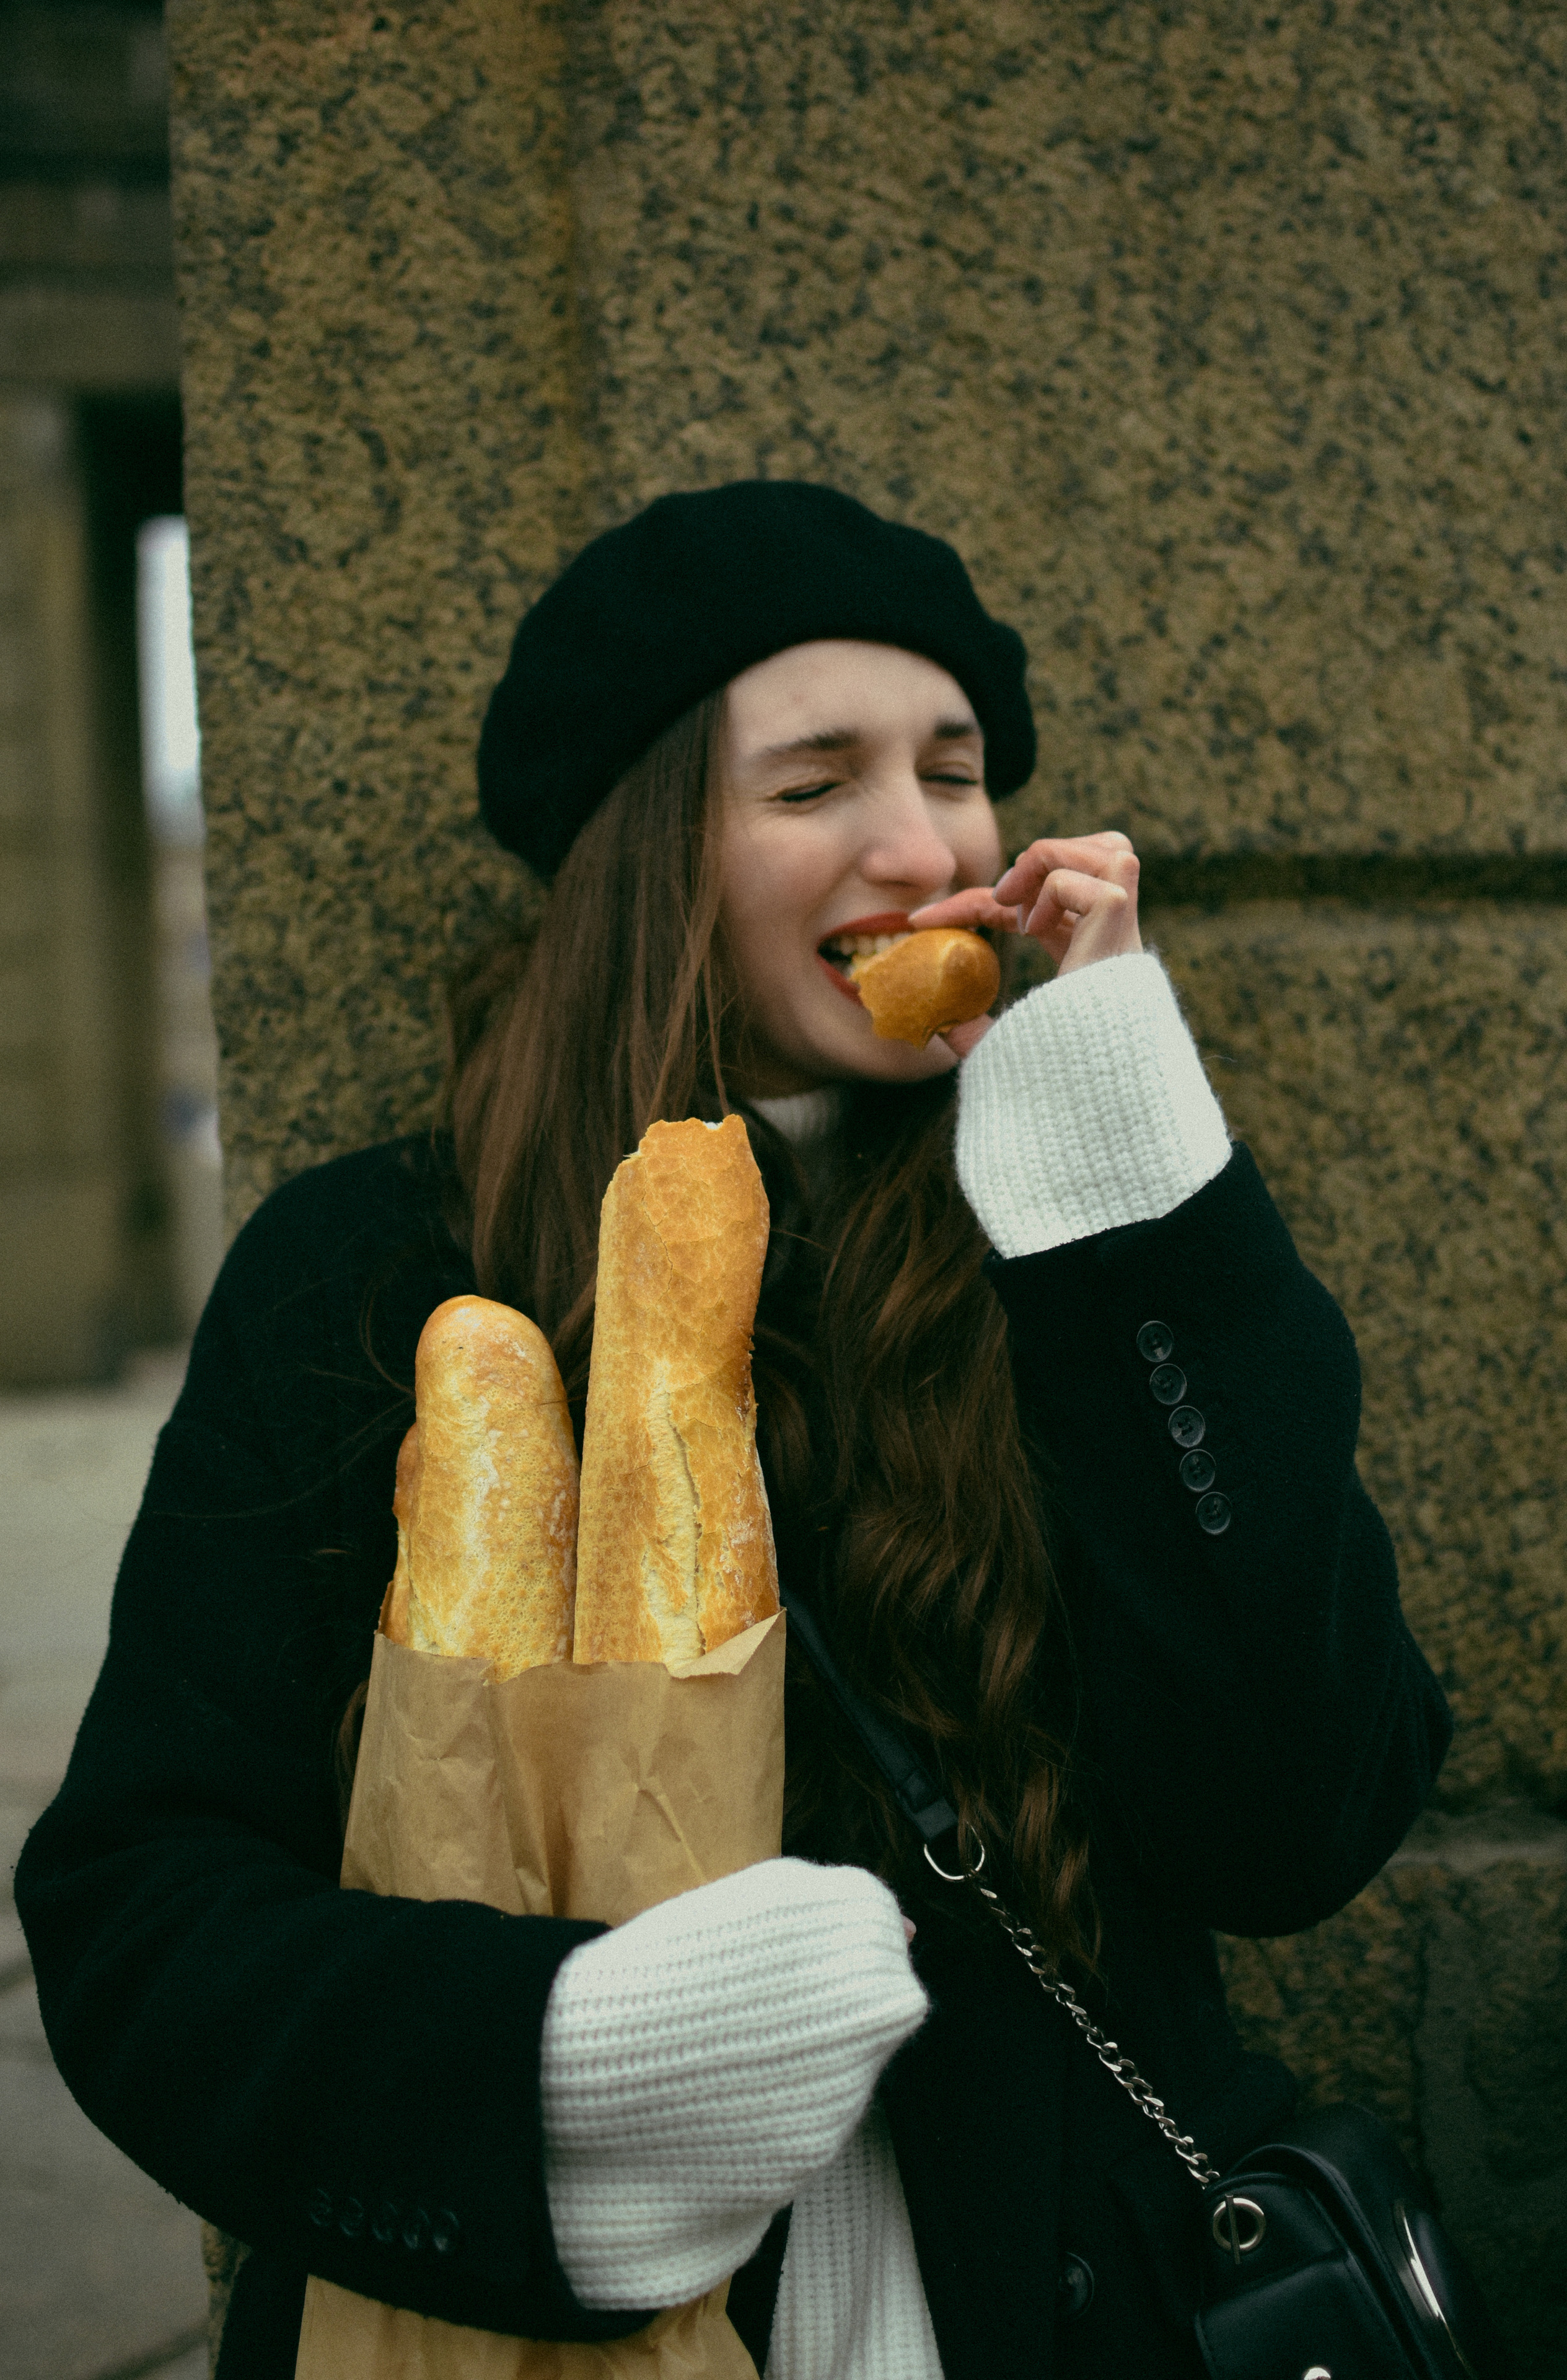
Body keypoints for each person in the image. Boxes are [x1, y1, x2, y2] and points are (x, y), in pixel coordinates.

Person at [17, 482, 1452, 2380]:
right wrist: (561, 2068)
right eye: (813, 785)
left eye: (955, 772)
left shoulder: (1070, 1235)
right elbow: (142, 1920)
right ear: (649, 859)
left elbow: (1295, 1825)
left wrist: (1135, 1185)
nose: (921, 847)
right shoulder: (375, 1274)